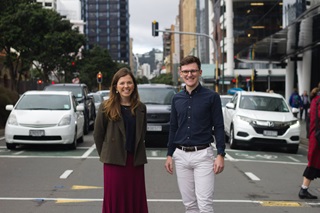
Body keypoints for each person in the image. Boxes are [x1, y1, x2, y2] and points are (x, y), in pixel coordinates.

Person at [164, 55, 226, 213]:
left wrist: (221, 154)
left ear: (200, 72)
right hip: (181, 156)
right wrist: (169, 154)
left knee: (205, 205)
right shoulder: (176, 98)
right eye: (185, 71)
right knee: (189, 205)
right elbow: (173, 127)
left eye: (192, 71)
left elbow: (219, 126)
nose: (189, 75)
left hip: (203, 156)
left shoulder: (212, 97)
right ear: (180, 73)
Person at [94, 68, 148, 213]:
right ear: (116, 86)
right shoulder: (106, 107)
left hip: (135, 162)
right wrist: (107, 154)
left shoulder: (141, 108)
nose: (126, 86)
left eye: (129, 83)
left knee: (135, 198)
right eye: (122, 83)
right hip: (114, 162)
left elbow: (142, 134)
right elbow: (98, 135)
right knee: (115, 199)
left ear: (134, 86)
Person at [298, 86, 320, 200]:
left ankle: (304, 189)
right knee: (313, 165)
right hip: (317, 138)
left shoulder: (315, 99)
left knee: (313, 165)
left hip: (314, 136)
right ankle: (303, 190)